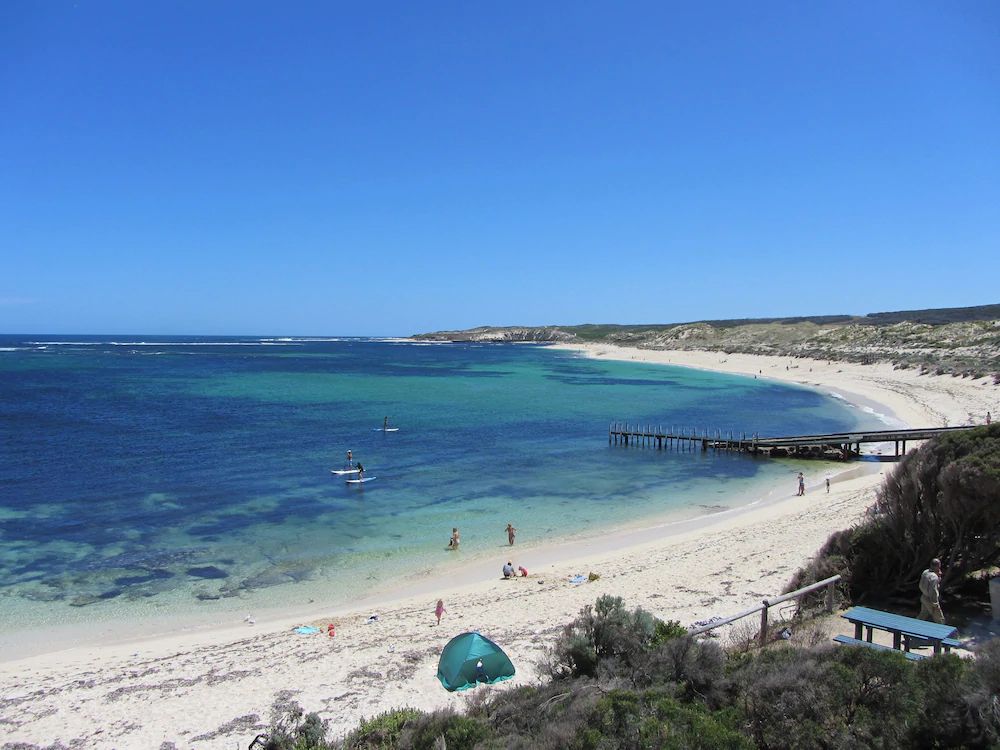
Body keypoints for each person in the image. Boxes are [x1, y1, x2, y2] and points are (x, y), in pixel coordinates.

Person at [918, 558, 945, 624]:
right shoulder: (934, 577)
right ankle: (941, 633)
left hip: (923, 597)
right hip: (930, 600)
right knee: (940, 619)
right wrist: (936, 605)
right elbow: (933, 591)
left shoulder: (925, 572)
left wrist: (938, 576)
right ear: (938, 566)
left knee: (922, 616)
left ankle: (913, 628)